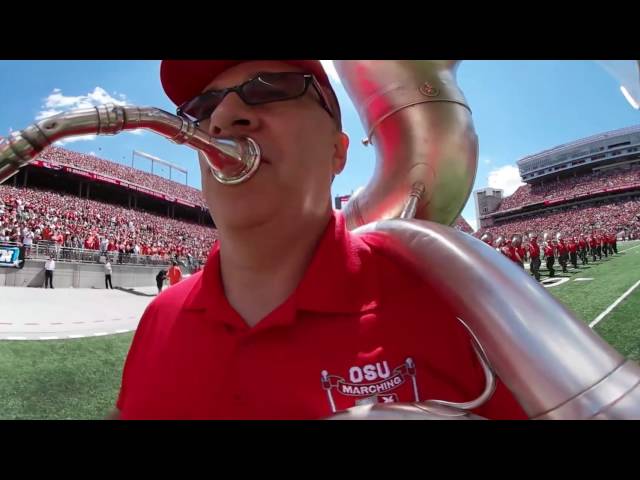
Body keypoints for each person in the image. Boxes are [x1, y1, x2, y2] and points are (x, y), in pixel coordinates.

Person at [112, 60, 527, 420]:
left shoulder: (450, 302)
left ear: (338, 152)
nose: (223, 116)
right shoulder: (158, 317)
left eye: (268, 88)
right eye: (202, 107)